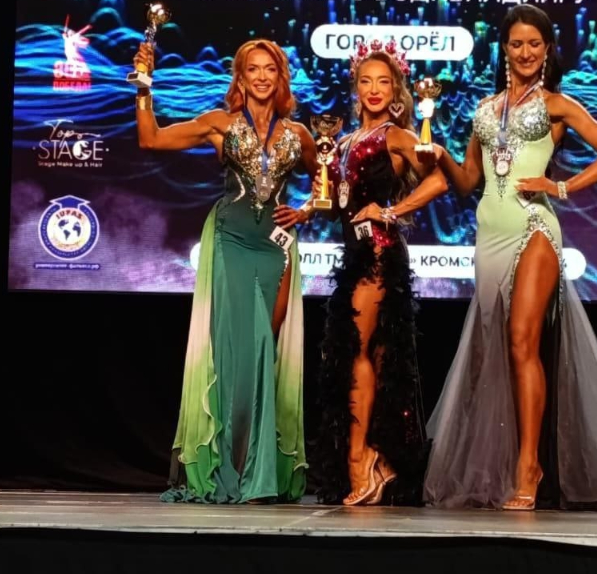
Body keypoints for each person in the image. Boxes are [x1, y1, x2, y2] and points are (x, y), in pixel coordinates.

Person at [422, 4, 597, 511]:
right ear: (504, 49)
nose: (526, 52)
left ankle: (528, 466)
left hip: (534, 225)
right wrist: (439, 154)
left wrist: (561, 186)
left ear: (548, 49)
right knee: (495, 353)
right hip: (490, 230)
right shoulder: (484, 110)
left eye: (535, 43)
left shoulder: (556, 105)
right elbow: (468, 182)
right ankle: (512, 461)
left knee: (521, 342)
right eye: (517, 44)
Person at [133, 39, 320, 504]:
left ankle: (260, 470)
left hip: (275, 249)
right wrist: (144, 86)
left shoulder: (299, 134)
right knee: (237, 351)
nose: (261, 77)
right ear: (240, 77)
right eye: (252, 69)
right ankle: (231, 468)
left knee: (266, 350)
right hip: (231, 242)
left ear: (280, 77)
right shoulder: (221, 124)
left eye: (269, 69)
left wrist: (306, 210)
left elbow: (327, 176)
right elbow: (151, 139)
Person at [302, 39, 448, 506]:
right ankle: (378, 461)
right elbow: (337, 206)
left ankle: (361, 459)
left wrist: (391, 211)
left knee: (359, 351)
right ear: (355, 86)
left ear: (396, 88)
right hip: (354, 255)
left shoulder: (394, 135)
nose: (374, 89)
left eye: (383, 81)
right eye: (366, 81)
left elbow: (439, 178)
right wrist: (318, 196)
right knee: (368, 356)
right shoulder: (343, 141)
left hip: (380, 254)